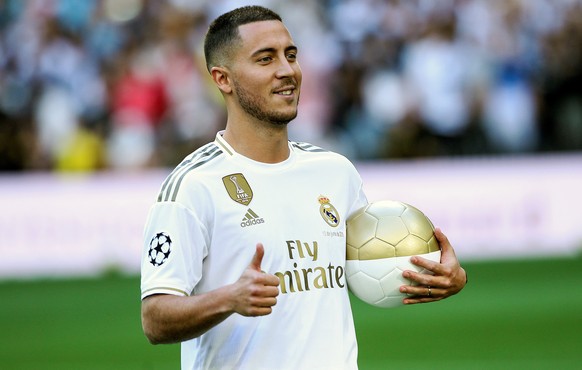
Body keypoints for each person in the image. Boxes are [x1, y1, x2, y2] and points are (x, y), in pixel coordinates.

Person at [140, 5, 467, 370]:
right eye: (265, 59)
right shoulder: (193, 186)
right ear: (223, 79)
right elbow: (155, 318)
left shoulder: (334, 172)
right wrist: (228, 298)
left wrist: (436, 274)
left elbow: (369, 267)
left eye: (290, 55)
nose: (287, 70)